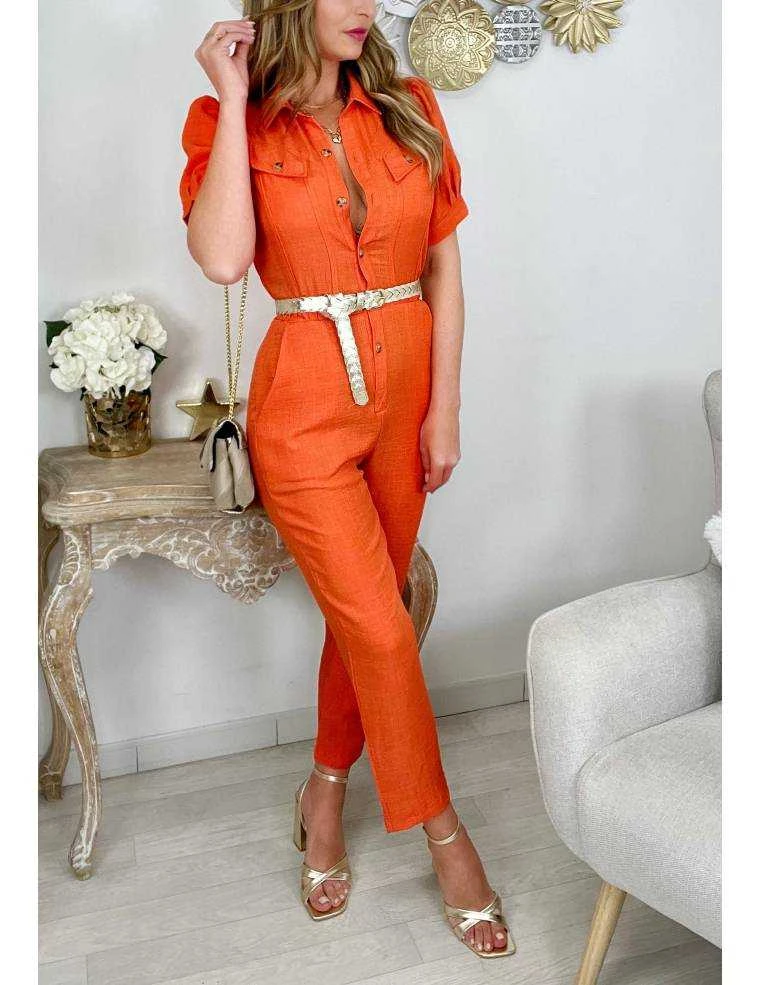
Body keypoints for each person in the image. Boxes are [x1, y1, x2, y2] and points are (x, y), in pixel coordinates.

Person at [179, 0, 514, 959]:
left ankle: (323, 792)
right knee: (381, 621)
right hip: (304, 403)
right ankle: (447, 837)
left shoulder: (409, 105)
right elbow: (225, 258)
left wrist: (445, 408)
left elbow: (445, 268)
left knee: (362, 617)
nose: (367, 6)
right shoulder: (227, 122)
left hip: (407, 395)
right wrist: (234, 96)